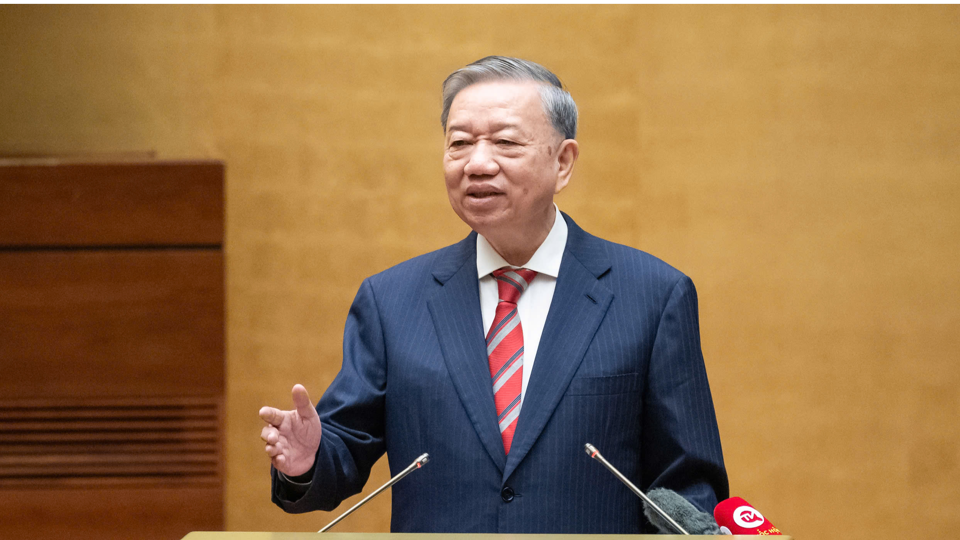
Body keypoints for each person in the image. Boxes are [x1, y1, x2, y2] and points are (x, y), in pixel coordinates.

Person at [259, 56, 728, 533]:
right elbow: (344, 447)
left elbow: (690, 483)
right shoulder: (392, 301)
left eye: (505, 142)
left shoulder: (652, 295)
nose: (478, 163)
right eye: (459, 143)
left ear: (562, 162)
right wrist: (307, 459)